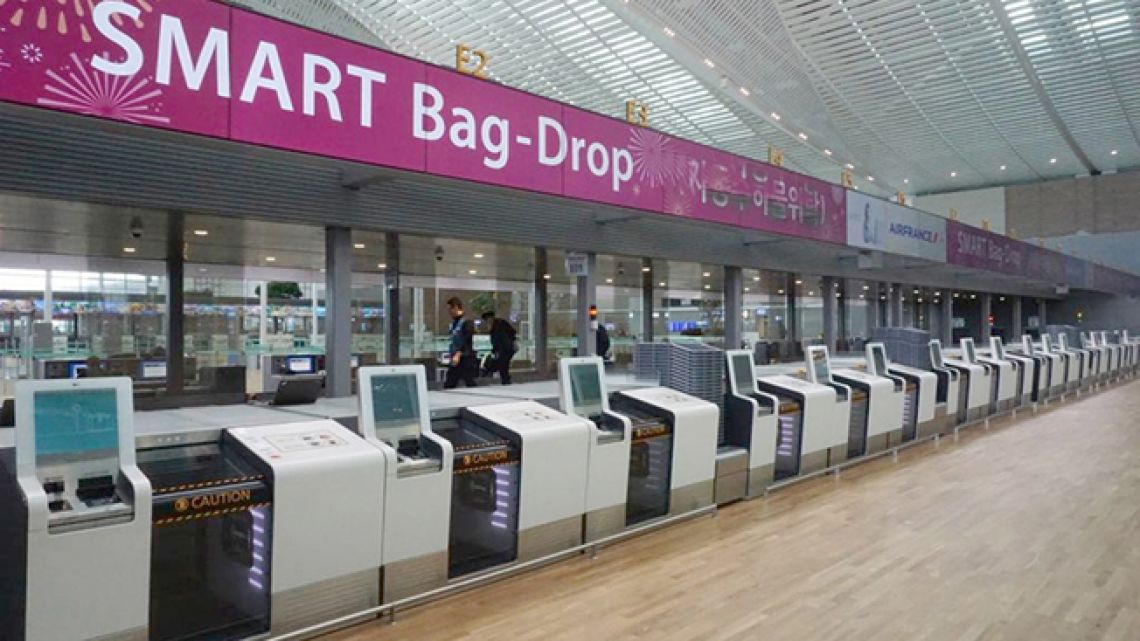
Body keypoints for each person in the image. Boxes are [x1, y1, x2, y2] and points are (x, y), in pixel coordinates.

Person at [444, 296, 477, 388]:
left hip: (465, 358)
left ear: (456, 307)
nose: (449, 312)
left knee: (469, 381)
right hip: (455, 358)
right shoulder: (454, 324)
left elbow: (467, 340)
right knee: (450, 382)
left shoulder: (467, 322)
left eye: (450, 309)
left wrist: (458, 354)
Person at [482, 310, 518, 385]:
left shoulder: (501, 322)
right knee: (502, 364)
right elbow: (494, 340)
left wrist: (514, 343)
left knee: (503, 363)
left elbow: (512, 332)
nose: (488, 321)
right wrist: (493, 350)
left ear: (492, 318)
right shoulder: (490, 327)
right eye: (487, 320)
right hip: (499, 349)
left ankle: (505, 379)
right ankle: (505, 379)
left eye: (489, 319)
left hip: (507, 347)